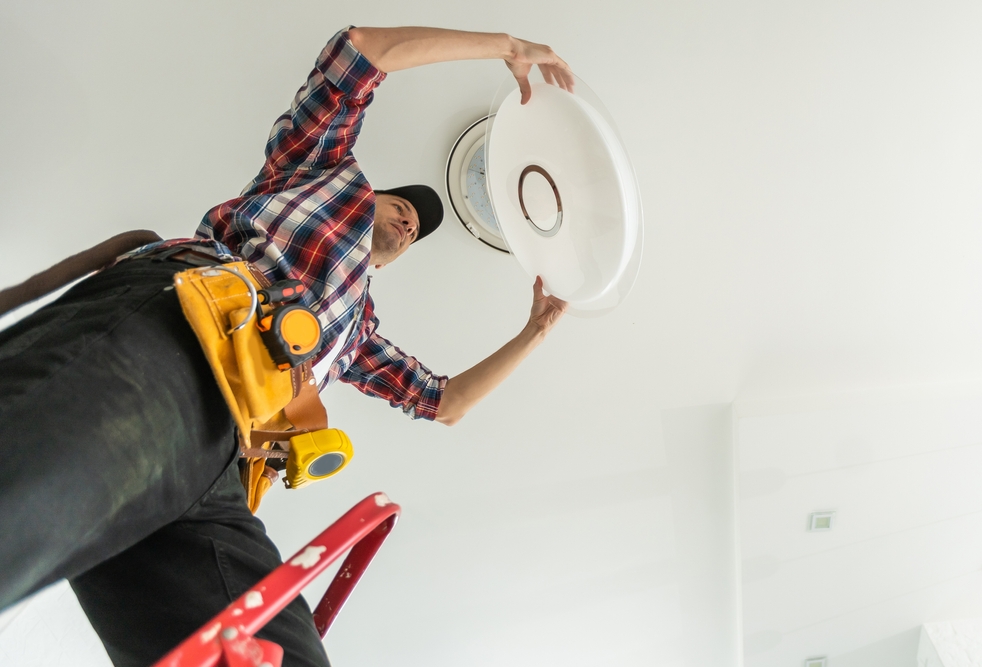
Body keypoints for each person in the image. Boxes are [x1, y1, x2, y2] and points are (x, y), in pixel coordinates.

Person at [0, 25, 572, 667]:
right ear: (369, 191)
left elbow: (446, 402)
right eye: (404, 205)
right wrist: (506, 48)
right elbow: (361, 53)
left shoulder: (355, 330)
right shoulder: (318, 170)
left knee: (284, 654)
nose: (413, 220)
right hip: (184, 340)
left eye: (417, 231)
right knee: (21, 499)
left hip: (225, 469)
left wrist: (537, 329)